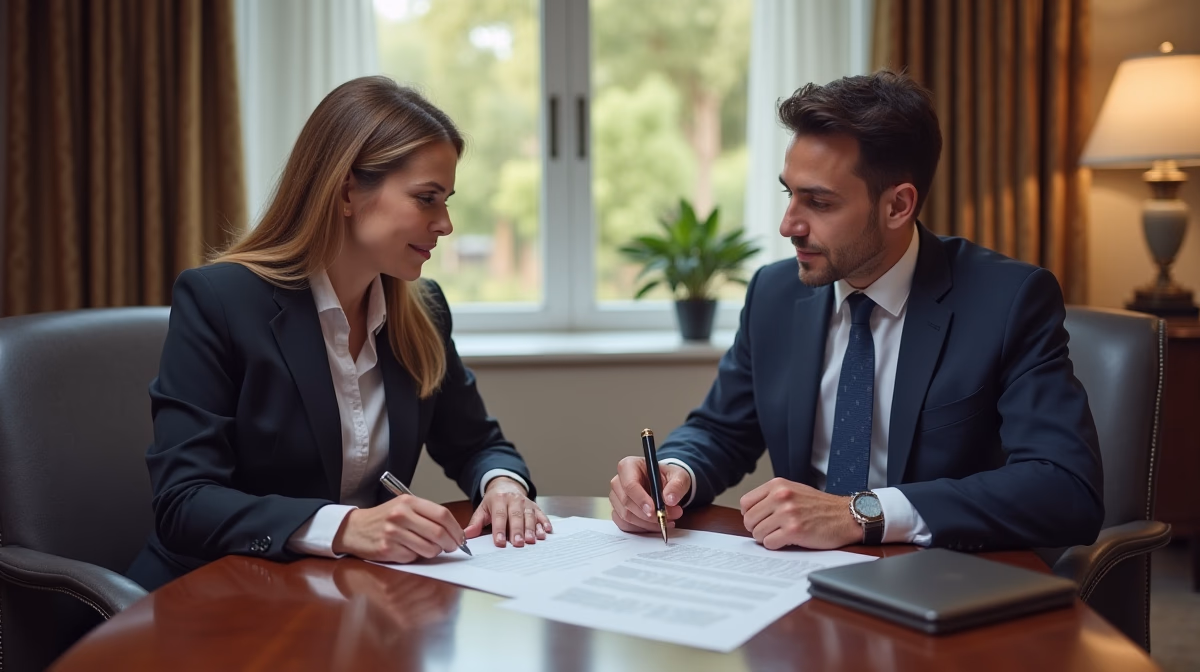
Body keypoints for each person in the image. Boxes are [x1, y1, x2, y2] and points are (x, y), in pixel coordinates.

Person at [607, 71, 1104, 552]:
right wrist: (674, 473)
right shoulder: (774, 294)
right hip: (796, 578)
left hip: (939, 579)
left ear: (898, 206)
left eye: (818, 203)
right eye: (789, 193)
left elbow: (1063, 488)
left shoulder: (1007, 300)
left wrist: (861, 512)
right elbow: (722, 429)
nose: (788, 226)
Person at [127, 76, 551, 592]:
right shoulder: (219, 301)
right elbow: (184, 500)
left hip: (341, 598)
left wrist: (502, 485)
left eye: (447, 201)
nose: (445, 224)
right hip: (215, 598)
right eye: (427, 198)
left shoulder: (423, 312)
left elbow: (477, 443)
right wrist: (348, 526)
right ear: (348, 191)